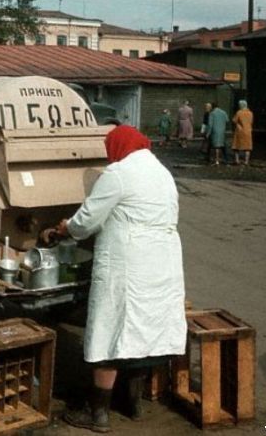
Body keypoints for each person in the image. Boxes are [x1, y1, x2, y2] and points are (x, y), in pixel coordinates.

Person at [47, 126, 186, 433]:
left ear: (117, 147)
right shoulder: (162, 172)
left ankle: (97, 414)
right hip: (161, 263)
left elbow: (87, 221)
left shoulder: (118, 173)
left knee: (108, 334)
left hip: (127, 264)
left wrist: (65, 227)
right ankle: (133, 405)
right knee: (142, 330)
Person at [232, 100, 254, 165]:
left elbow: (234, 120)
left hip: (240, 132)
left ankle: (237, 160)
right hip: (248, 131)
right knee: (247, 147)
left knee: (236, 146)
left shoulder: (239, 112)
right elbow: (251, 122)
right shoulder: (250, 113)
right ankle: (246, 161)